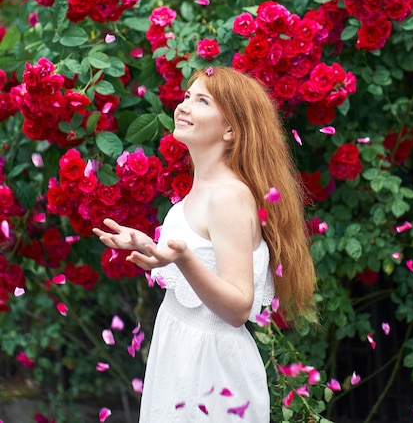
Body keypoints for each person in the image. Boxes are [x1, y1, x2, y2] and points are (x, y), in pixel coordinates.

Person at [93, 66, 316, 422]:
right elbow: (203, 258)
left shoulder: (228, 197)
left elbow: (237, 309)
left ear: (230, 129)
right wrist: (150, 246)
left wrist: (181, 259)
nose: (184, 106)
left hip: (211, 368)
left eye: (202, 101)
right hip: (179, 352)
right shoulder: (205, 189)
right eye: (186, 96)